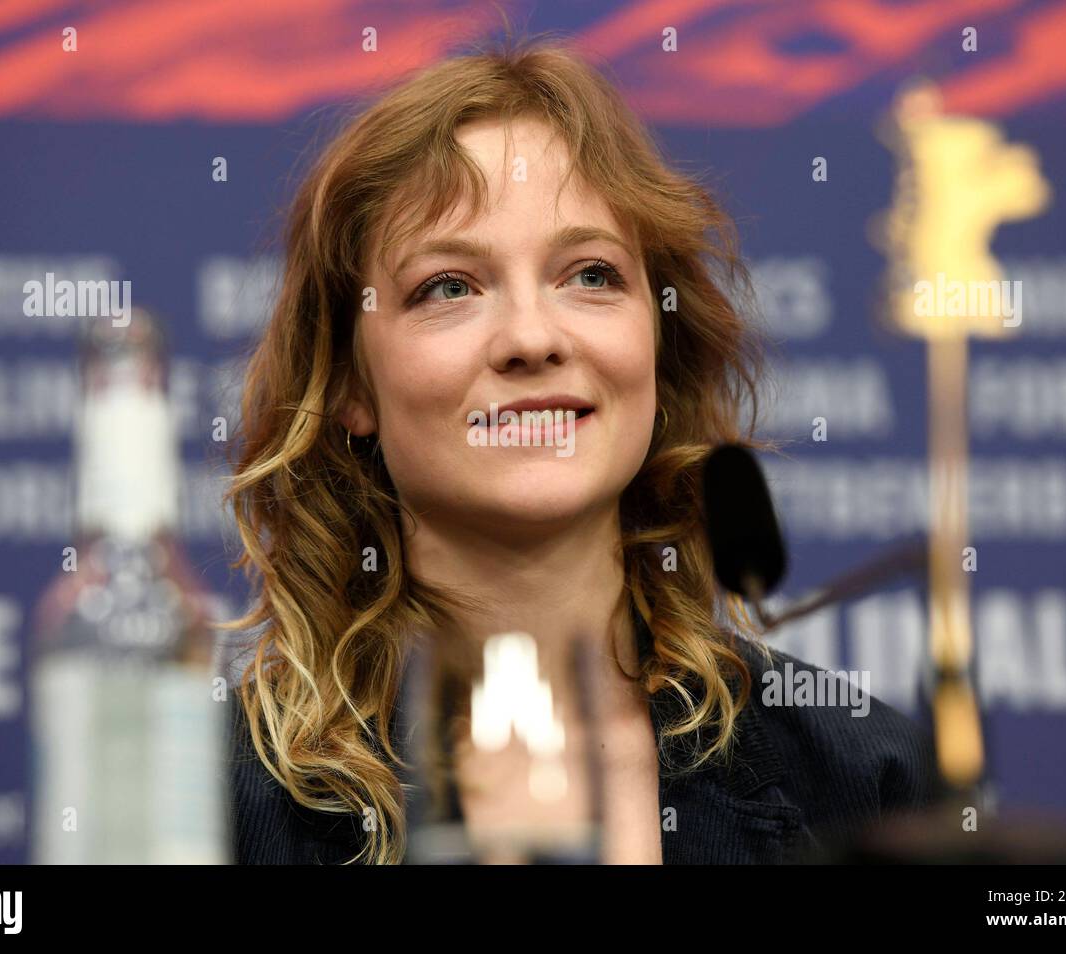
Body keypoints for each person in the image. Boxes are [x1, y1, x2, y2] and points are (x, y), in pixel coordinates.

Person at [222, 35, 939, 865]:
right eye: (449, 287)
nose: (532, 337)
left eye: (590, 275)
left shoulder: (866, 781)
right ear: (351, 385)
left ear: (657, 342)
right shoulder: (213, 802)